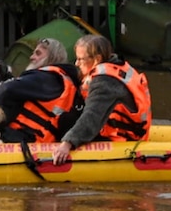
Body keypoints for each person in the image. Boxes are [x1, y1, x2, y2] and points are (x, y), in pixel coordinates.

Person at [51, 34, 152, 166]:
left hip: (123, 137)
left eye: (80, 59)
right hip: (127, 128)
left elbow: (92, 116)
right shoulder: (115, 65)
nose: (76, 63)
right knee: (69, 116)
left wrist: (67, 144)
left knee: (65, 122)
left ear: (97, 59)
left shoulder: (105, 82)